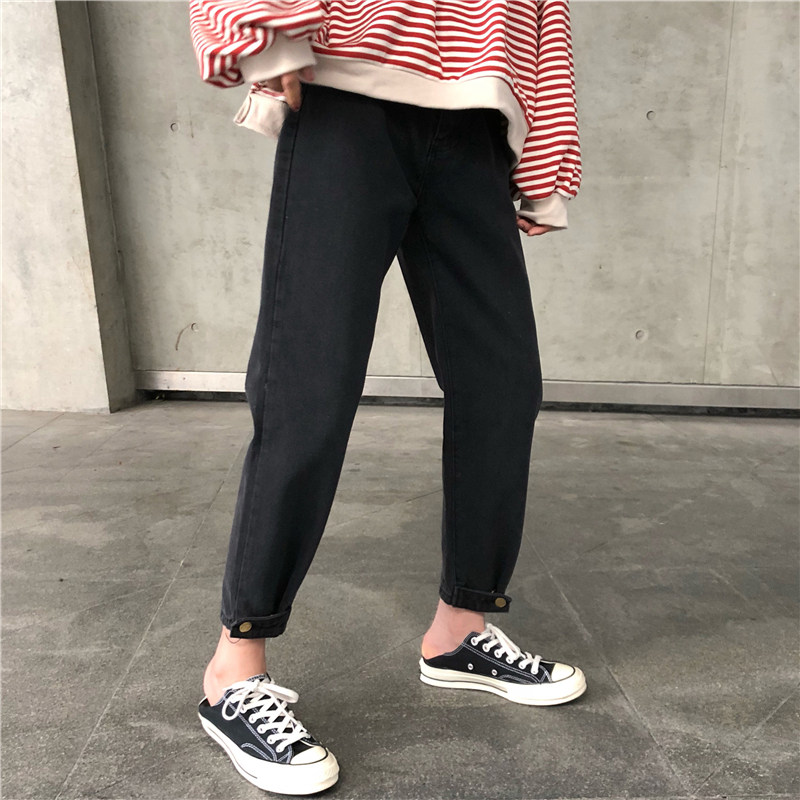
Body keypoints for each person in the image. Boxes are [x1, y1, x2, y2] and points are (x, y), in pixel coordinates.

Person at [188, 1, 586, 794]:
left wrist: (546, 161)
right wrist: (266, 33)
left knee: (503, 386)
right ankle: (234, 667)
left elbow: (547, 15)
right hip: (349, 98)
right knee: (308, 385)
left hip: (475, 121)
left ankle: (459, 630)